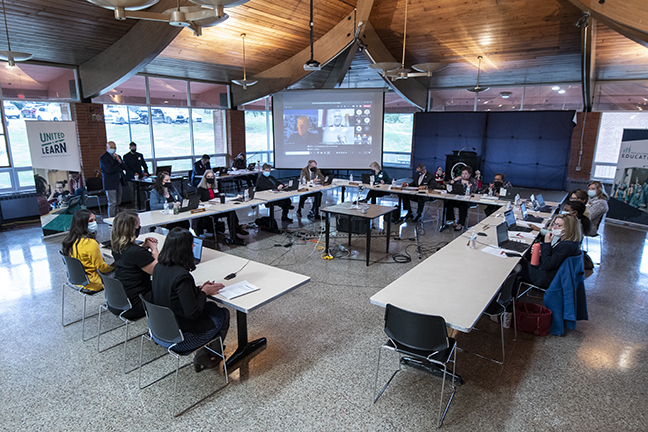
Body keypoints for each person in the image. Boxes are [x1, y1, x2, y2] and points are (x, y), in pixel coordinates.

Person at [151, 227, 230, 372]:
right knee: (223, 314)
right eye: (191, 244)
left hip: (159, 330)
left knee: (212, 308)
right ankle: (207, 355)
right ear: (184, 249)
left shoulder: (158, 268)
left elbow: (173, 294)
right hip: (181, 339)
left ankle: (210, 351)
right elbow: (193, 313)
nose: (194, 246)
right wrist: (204, 292)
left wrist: (198, 290)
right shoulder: (182, 275)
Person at [111, 211, 158, 319]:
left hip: (121, 297)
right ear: (131, 230)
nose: (139, 228)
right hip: (137, 302)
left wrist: (143, 247)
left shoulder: (117, 247)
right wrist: (154, 249)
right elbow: (158, 270)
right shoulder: (137, 253)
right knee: (169, 287)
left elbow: (131, 259)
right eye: (138, 226)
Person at [518, 214, 582, 289]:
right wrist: (541, 252)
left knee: (516, 262)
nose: (554, 227)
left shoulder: (566, 246)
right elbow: (553, 257)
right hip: (550, 273)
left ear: (569, 229)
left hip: (545, 278)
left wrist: (547, 244)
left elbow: (547, 264)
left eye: (558, 225)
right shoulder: (566, 241)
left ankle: (509, 295)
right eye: (554, 224)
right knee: (524, 256)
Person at [61, 209, 113, 292]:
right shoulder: (90, 243)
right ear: (82, 224)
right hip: (93, 283)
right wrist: (115, 266)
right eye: (91, 221)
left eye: (94, 220)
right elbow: (102, 269)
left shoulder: (70, 240)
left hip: (77, 280)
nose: (94, 223)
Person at [196, 170, 247, 245]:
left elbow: (218, 196)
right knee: (230, 213)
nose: (210, 178)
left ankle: (234, 234)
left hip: (218, 208)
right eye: (208, 177)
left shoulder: (215, 187)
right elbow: (198, 201)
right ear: (205, 178)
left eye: (212, 177)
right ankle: (236, 230)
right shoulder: (201, 189)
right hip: (209, 211)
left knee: (231, 212)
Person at [445, 165, 479, 230]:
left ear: (469, 174)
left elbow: (473, 190)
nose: (464, 175)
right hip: (458, 198)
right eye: (462, 173)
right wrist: (454, 180)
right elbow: (449, 186)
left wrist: (467, 184)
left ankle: (460, 224)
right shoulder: (459, 179)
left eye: (466, 173)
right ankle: (453, 220)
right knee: (449, 202)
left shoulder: (473, 181)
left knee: (463, 206)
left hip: (469, 200)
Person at [100, 141, 126, 217]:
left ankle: (117, 218)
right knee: (112, 203)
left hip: (119, 182)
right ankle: (111, 220)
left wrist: (119, 161)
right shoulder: (103, 157)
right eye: (111, 147)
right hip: (110, 183)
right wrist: (119, 166)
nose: (113, 149)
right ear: (106, 148)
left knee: (118, 202)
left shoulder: (117, 157)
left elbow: (124, 167)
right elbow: (109, 169)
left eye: (114, 147)